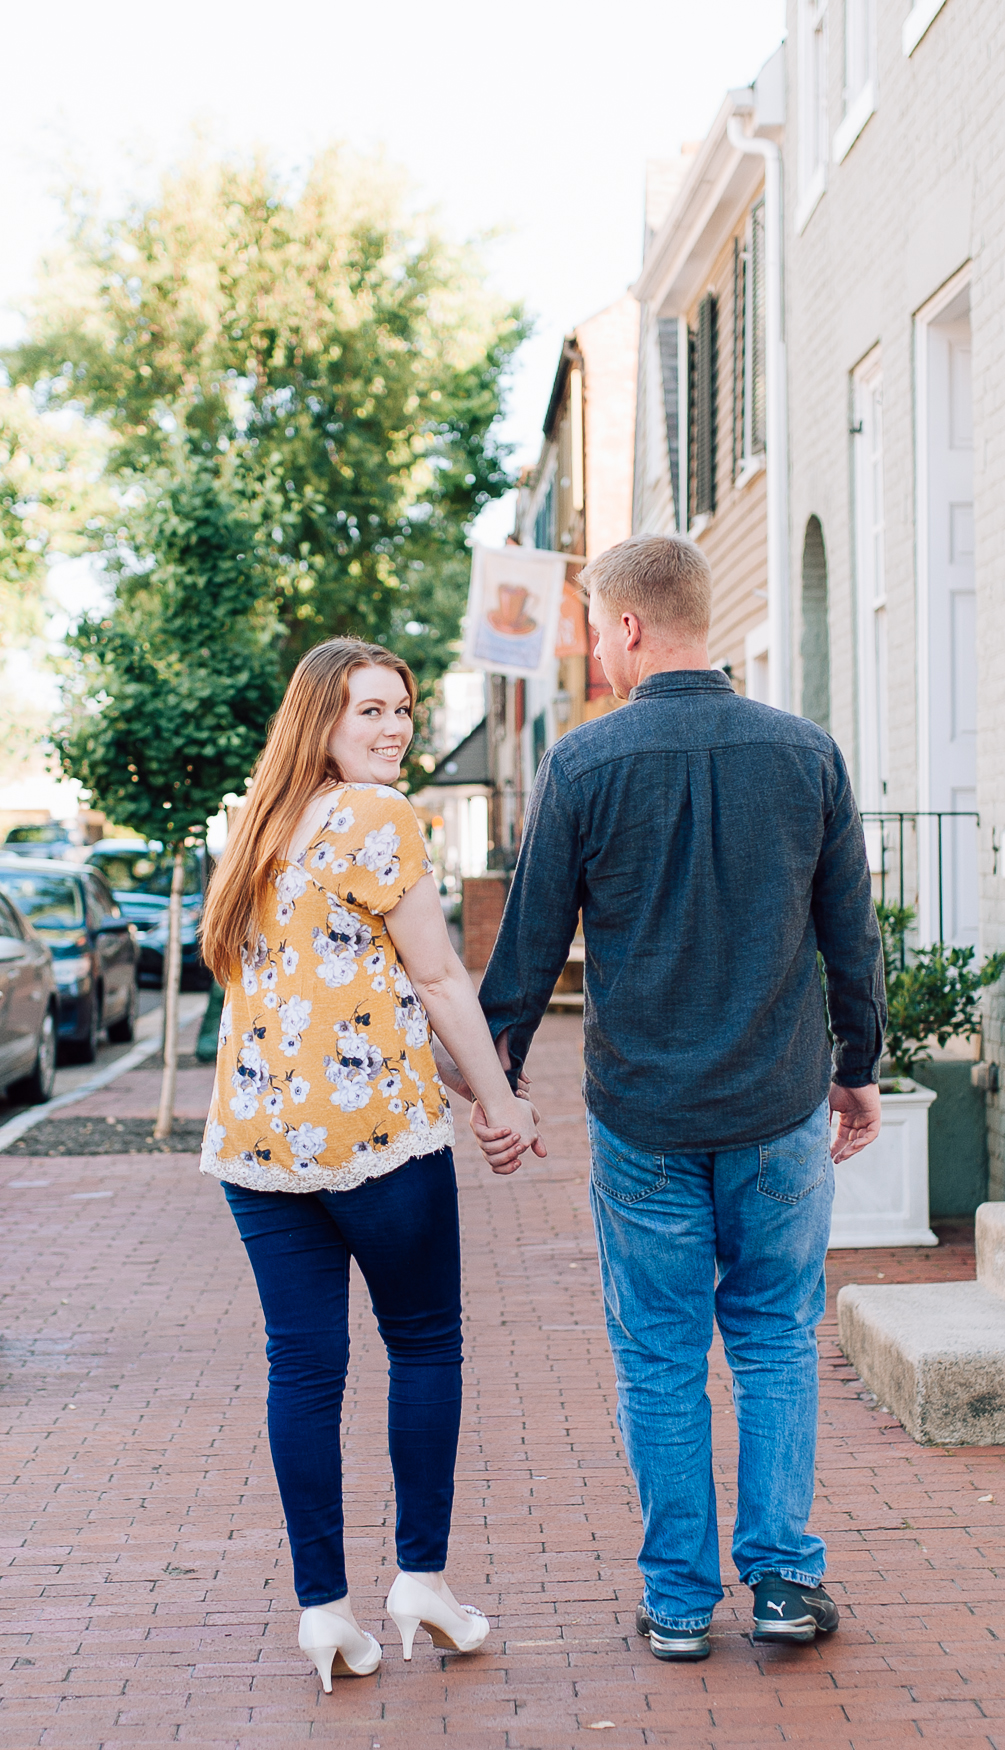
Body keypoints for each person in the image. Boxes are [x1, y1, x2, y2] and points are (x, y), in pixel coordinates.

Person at [473, 535, 885, 1661]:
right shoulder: (807, 755)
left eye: (597, 628)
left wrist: (497, 1078)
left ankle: (678, 1601)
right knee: (774, 1342)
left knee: (658, 1355)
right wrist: (859, 1065)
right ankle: (787, 1582)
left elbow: (529, 941)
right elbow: (852, 930)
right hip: (779, 1103)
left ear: (632, 628)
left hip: (646, 1115)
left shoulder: (584, 763)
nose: (596, 648)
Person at [199, 637, 542, 1691]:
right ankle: (421, 1581)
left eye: (401, 710)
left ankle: (324, 1611)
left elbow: (332, 991)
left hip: (258, 1148)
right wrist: (502, 1104)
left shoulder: (253, 826)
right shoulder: (380, 818)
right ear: (324, 723)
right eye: (370, 712)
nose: (394, 729)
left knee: (302, 1368)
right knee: (424, 1344)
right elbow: (437, 979)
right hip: (376, 1143)